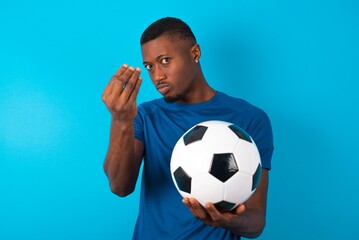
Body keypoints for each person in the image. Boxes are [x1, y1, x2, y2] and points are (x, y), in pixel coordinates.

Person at [102, 17, 274, 239]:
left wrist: (231, 220)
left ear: (195, 53)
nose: (157, 76)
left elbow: (256, 222)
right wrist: (120, 120)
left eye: (165, 60)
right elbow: (120, 186)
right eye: (149, 66)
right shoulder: (144, 115)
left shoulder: (250, 119)